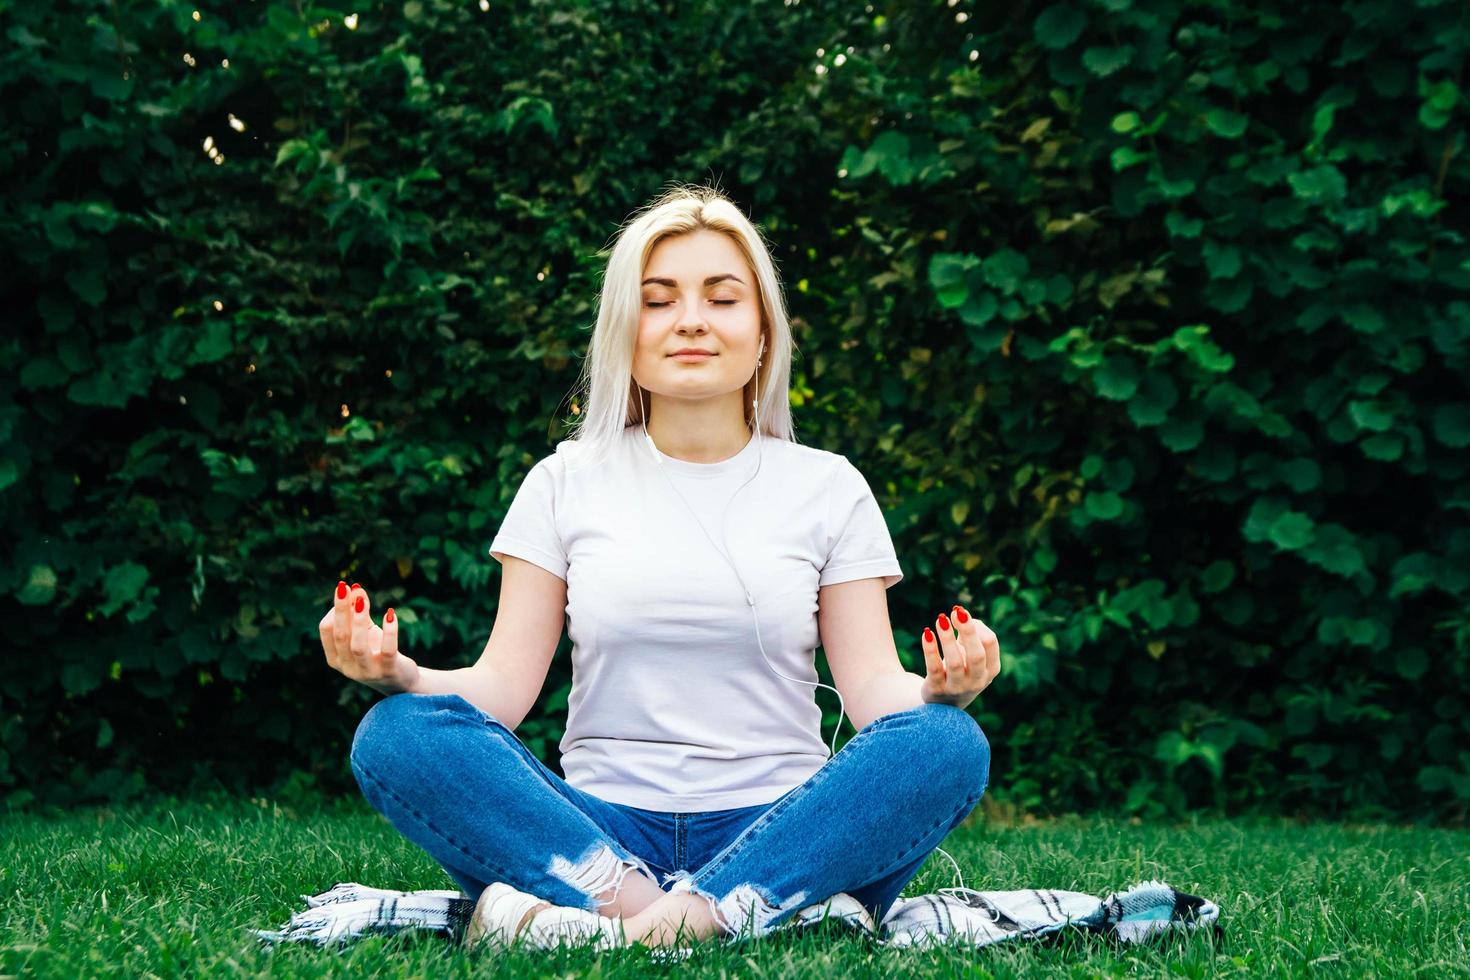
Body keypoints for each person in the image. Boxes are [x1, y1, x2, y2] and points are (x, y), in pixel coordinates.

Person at [318, 183, 1001, 953]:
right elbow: (498, 693)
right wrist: (398, 674)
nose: (691, 320)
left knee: (945, 743)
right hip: (601, 836)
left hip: (786, 824)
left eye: (722, 297)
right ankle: (709, 916)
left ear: (764, 331)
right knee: (397, 736)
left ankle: (627, 930)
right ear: (625, 331)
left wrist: (941, 691)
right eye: (659, 299)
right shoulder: (565, 480)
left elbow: (876, 690)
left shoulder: (828, 487)